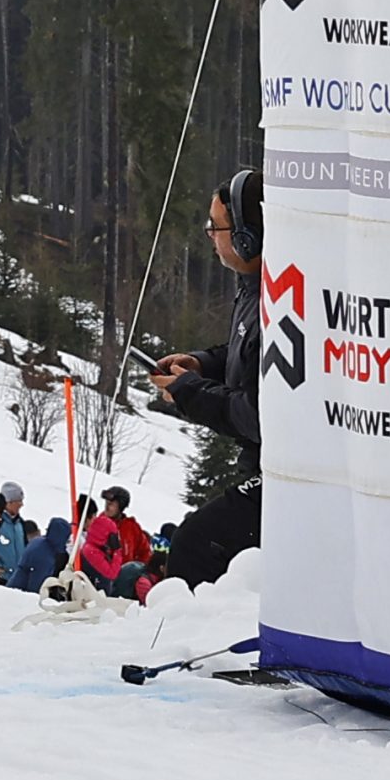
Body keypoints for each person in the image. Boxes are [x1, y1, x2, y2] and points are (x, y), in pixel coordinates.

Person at [150, 168, 265, 587]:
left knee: (196, 543)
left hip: (282, 470)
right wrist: (202, 364)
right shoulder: (253, 286)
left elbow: (259, 413)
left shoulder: (278, 296)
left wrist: (187, 392)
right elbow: (248, 357)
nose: (209, 236)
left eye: (214, 227)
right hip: (261, 464)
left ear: (247, 236)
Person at [8, 515, 71, 594]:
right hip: (21, 595)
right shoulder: (44, 556)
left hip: (14, 589)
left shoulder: (40, 542)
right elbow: (37, 585)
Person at [0, 481, 29, 584]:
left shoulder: (20, 523)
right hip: (1, 579)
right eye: (19, 501)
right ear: (8, 502)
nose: (22, 504)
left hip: (19, 578)